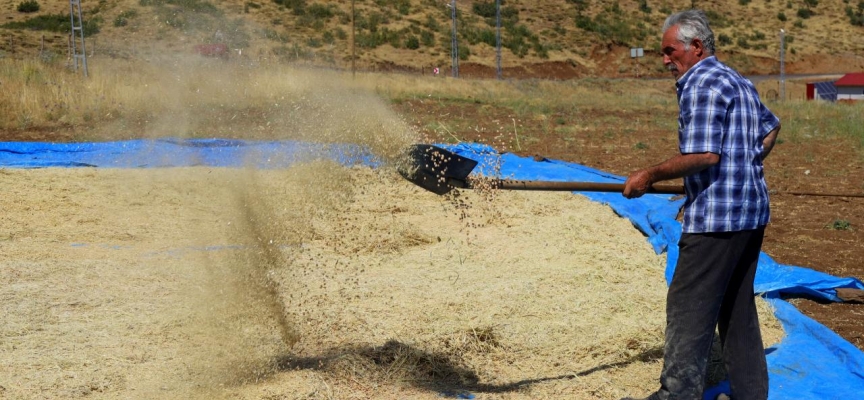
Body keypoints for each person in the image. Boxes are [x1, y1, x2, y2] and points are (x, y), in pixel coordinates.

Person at [620, 9, 781, 400]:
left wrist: (649, 175)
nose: (664, 60)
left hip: (716, 219)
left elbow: (706, 155)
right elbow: (771, 126)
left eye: (669, 50)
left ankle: (677, 394)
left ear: (695, 46)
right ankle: (751, 393)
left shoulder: (701, 83)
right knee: (737, 307)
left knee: (688, 304)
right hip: (751, 213)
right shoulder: (736, 79)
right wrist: (747, 162)